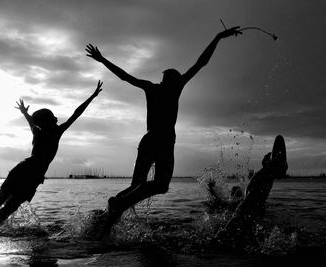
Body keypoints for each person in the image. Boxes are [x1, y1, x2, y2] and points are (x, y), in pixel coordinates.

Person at [85, 26, 243, 236]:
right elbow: (200, 64)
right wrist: (218, 37)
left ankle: (110, 213)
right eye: (178, 78)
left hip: (149, 140)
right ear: (172, 80)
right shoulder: (173, 88)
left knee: (138, 186)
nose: (181, 80)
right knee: (160, 186)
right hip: (164, 141)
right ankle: (117, 205)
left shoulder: (152, 88)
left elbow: (126, 77)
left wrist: (103, 60)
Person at [0, 81, 103, 231]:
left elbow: (74, 114)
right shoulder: (48, 132)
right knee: (3, 203)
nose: (38, 124)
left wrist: (92, 96)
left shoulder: (45, 131)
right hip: (28, 173)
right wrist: (93, 96)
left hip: (28, 172)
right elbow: (73, 115)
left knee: (5, 204)